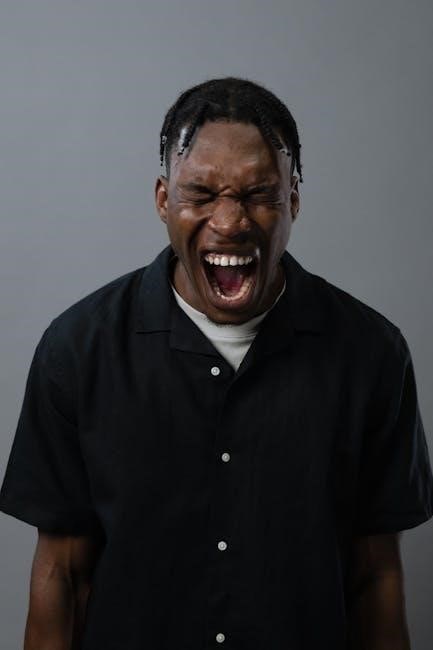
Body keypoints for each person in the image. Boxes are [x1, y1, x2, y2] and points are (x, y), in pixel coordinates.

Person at [0, 76, 432, 650]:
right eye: (201, 194)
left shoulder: (371, 354)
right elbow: (62, 574)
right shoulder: (78, 350)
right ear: (163, 200)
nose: (230, 221)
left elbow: (375, 575)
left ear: (293, 199)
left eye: (258, 194)